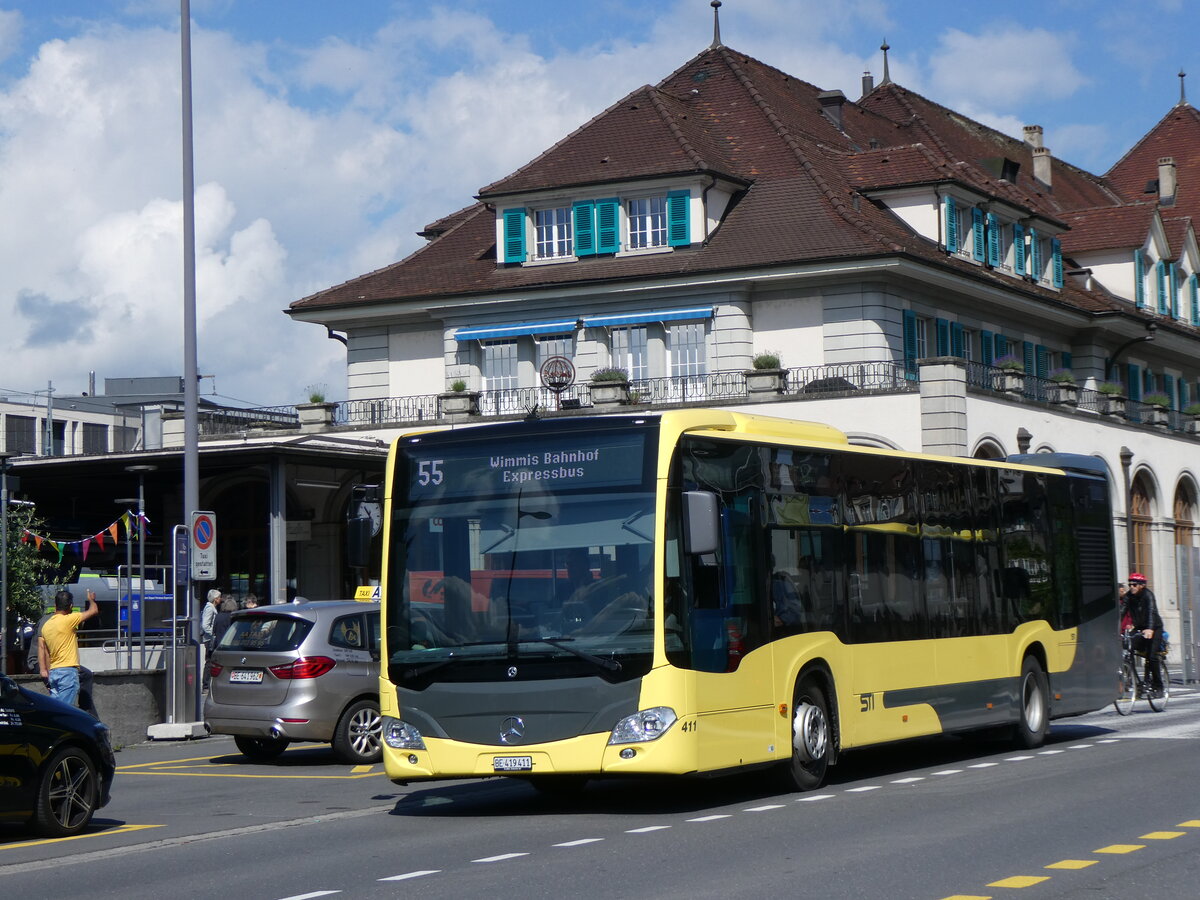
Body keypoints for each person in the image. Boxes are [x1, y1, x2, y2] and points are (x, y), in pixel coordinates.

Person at [38, 588, 99, 708]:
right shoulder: (69, 620)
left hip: (54, 673)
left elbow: (45, 651)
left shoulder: (46, 626)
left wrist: (46, 671)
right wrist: (91, 600)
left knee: (55, 709)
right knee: (65, 711)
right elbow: (94, 610)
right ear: (71, 606)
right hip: (67, 673)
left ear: (55, 605)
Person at [1124, 573, 1164, 693]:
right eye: (1130, 584)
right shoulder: (1128, 596)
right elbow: (1121, 611)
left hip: (1154, 628)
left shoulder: (1148, 595)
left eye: (1134, 584)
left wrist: (1150, 629)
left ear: (1142, 585)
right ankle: (1138, 683)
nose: (1131, 587)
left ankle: (1158, 686)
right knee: (1127, 648)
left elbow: (1152, 612)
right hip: (1140, 628)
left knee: (1151, 657)